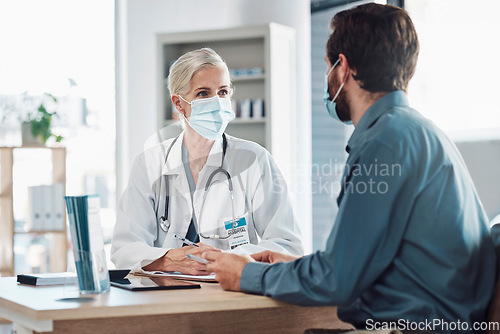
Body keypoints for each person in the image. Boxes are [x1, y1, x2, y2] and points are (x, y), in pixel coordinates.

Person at [204, 4, 496, 332]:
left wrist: (246, 275)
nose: (327, 80)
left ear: (343, 68)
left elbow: (338, 280)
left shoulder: (385, 144)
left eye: (328, 67)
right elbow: (360, 268)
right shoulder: (416, 131)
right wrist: (300, 268)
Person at [111, 48, 303, 275]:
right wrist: (169, 259)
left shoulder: (254, 159)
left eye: (222, 92)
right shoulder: (150, 164)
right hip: (164, 298)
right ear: (179, 103)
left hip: (231, 293)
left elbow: (287, 246)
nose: (217, 102)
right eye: (203, 93)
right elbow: (124, 248)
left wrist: (229, 260)